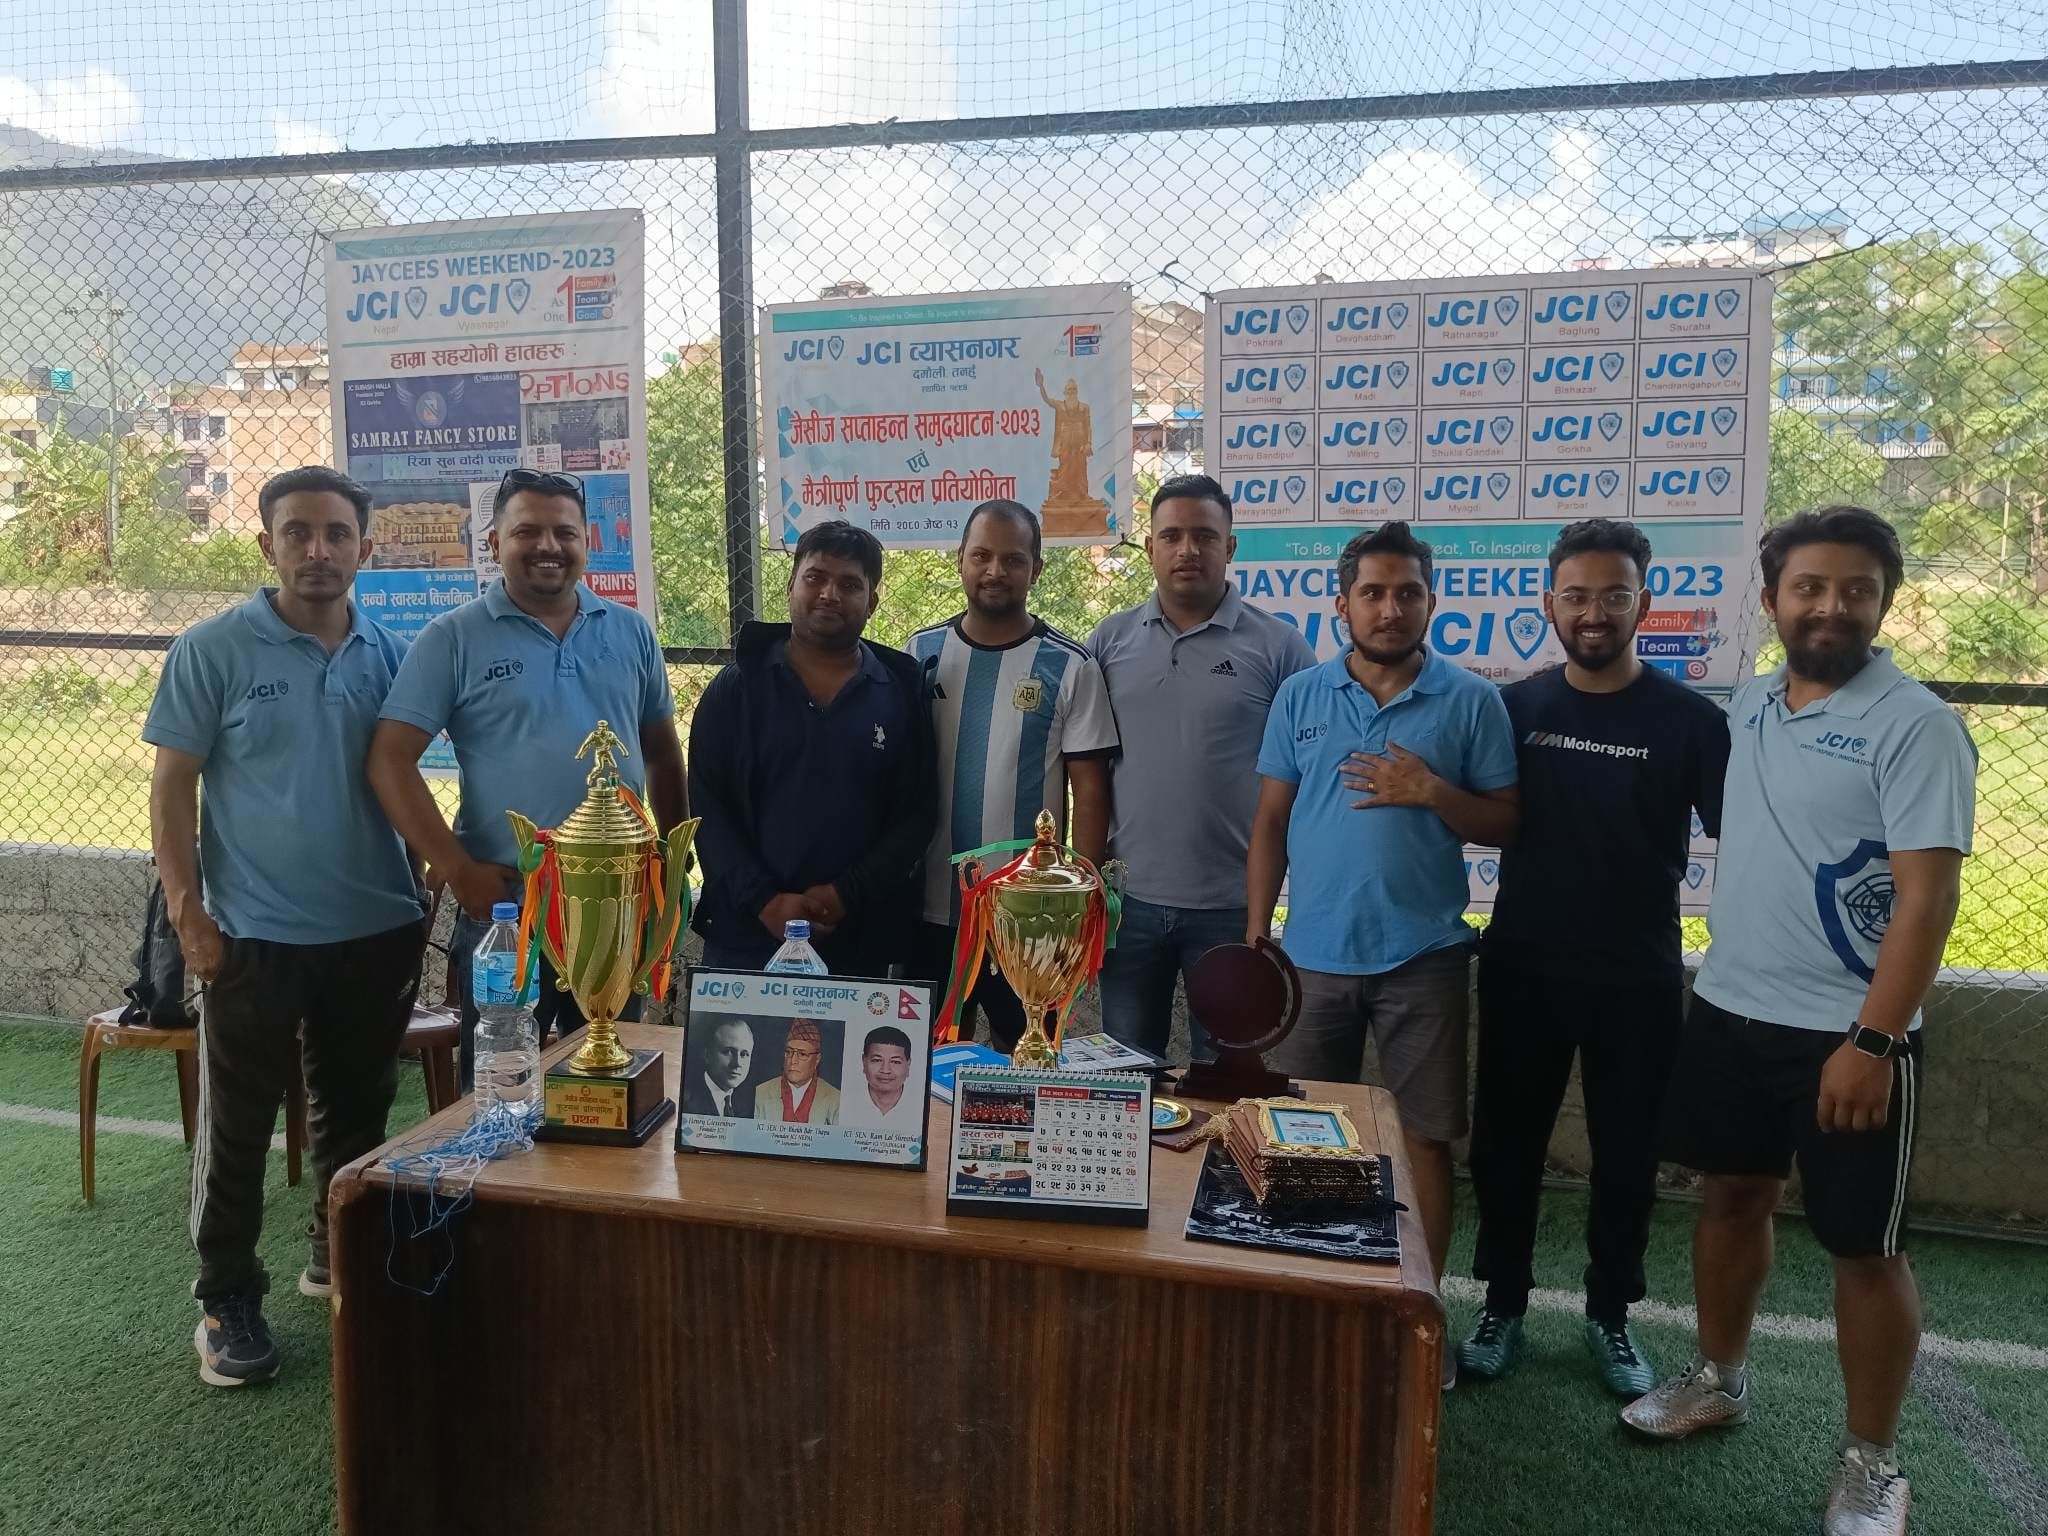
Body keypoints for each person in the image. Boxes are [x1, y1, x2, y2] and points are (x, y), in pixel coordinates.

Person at [1623, 508, 1977, 1536]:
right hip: (1729, 1009)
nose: (1831, 606)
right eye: (1809, 587)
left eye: (1855, 589)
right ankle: (1718, 1379)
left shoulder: (1915, 725)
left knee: (1863, 1250)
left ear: (1884, 601)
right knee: (1729, 1198)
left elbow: (1927, 900)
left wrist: (1872, 1040)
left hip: (1847, 1035)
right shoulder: (1749, 705)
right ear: (1772, 598)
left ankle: (1871, 1463)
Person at [142, 466, 429, 1388]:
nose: (318, 550)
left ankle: (334, 1254)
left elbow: (409, 777)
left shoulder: (394, 653)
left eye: (337, 534)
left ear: (365, 549)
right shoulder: (212, 649)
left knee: (358, 1112)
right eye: (298, 532)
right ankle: (226, 1299)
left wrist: (431, 870)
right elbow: (172, 788)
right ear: (266, 544)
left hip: (374, 929)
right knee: (237, 1128)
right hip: (251, 936)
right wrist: (188, 912)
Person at [1457, 520, 1730, 1396]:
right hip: (1524, 965)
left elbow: (1745, 841)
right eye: (1576, 595)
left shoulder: (1693, 722)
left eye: (1614, 595)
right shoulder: (1516, 710)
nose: (1594, 612)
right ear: (1549, 604)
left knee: (1627, 1155)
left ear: (1644, 603)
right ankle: (1501, 1303)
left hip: (1636, 974)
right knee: (1506, 1148)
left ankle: (1611, 1314)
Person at [1248, 521, 1519, 1307]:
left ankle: (1418, 1311)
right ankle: (1312, 1300)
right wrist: (1257, 932)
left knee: (1425, 1141)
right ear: (1342, 604)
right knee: (1304, 1138)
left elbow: (1507, 822)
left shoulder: (1471, 701)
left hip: (1423, 958)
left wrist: (1433, 792)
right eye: (1373, 593)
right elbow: (1271, 822)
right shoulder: (1301, 695)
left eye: (1408, 593)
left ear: (1432, 601)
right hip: (1312, 958)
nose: (1390, 609)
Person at [366, 468, 687, 1087]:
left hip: (617, 899)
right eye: (527, 532)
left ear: (587, 542)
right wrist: (458, 869)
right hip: (507, 906)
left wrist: (672, 868)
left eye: (564, 532)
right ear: (494, 543)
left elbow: (663, 754)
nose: (548, 546)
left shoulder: (630, 631)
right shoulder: (452, 638)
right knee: (499, 1084)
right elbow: (389, 759)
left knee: (612, 1082)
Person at [1088, 474, 1316, 1056]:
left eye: (1205, 536)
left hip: (1233, 909)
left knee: (1225, 1079)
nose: (1187, 550)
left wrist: (1264, 913)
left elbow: (1306, 779)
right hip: (1129, 907)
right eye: (1171, 536)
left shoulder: (1280, 648)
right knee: (1126, 1078)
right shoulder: (1107, 642)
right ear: (1150, 548)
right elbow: (1084, 768)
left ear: (1230, 546)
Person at [906, 500, 1119, 1050]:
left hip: (1029, 916)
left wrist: (1080, 903)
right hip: (929, 909)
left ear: (1036, 570)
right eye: (981, 555)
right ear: (960, 560)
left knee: (1026, 1061)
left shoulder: (1070, 664)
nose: (995, 570)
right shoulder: (921, 653)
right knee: (927, 1060)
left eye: (1013, 559)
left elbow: (1089, 790)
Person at [689, 520, 936, 975]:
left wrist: (845, 894)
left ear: (872, 601)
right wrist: (764, 901)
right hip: (747, 934)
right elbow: (707, 808)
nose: (829, 594)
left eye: (849, 584)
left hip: (860, 938)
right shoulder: (736, 689)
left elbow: (916, 814)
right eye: (815, 577)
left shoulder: (900, 694)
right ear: (791, 586)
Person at [751, 1020, 840, 1124]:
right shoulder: (760, 1094)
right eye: (789, 1052)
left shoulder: (836, 1100)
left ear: (817, 1060)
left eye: (802, 1054)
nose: (793, 1061)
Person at [842, 1026, 921, 1131]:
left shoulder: (919, 1106)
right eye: (877, 1060)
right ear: (864, 1062)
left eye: (895, 1062)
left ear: (908, 1064)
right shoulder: (845, 1102)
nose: (885, 1070)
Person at [686, 1018, 756, 1118]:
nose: (737, 1063)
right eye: (727, 1052)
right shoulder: (687, 1101)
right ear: (707, 1055)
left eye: (744, 1054)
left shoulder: (749, 1103)